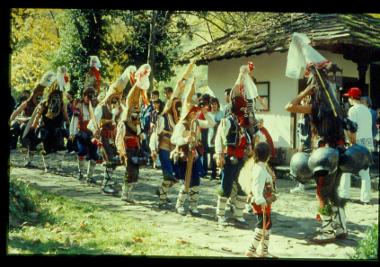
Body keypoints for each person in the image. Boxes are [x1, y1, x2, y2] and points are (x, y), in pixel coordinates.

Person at [171, 78, 215, 216]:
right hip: (183, 157)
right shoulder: (181, 125)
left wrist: (206, 113)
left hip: (194, 156)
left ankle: (193, 207)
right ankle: (179, 205)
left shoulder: (196, 123)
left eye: (197, 112)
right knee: (186, 182)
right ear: (189, 112)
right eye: (194, 112)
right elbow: (174, 139)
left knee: (196, 182)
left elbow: (211, 124)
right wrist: (185, 139)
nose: (196, 114)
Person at [10, 71, 55, 166]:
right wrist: (11, 120)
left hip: (36, 126)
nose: (38, 98)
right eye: (37, 96)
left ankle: (29, 160)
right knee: (23, 130)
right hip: (25, 125)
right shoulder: (26, 103)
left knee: (35, 139)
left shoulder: (43, 104)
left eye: (40, 96)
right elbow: (16, 112)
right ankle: (25, 153)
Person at [339, 87, 374, 205]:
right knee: (365, 173)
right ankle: (365, 198)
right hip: (367, 144)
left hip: (356, 143)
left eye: (349, 97)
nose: (348, 99)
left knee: (345, 170)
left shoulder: (353, 110)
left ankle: (344, 194)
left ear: (353, 97)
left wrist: (351, 143)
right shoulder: (368, 110)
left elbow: (351, 128)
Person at [245, 142, 277, 258]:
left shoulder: (262, 167)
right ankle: (251, 249)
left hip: (264, 201)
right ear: (267, 155)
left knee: (267, 225)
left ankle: (264, 251)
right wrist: (261, 200)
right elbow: (257, 187)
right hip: (261, 202)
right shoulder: (260, 170)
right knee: (262, 225)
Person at [69, 86, 102, 183]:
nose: (89, 99)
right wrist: (72, 133)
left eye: (91, 97)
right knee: (81, 152)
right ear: (84, 96)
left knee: (94, 155)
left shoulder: (97, 107)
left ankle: (90, 176)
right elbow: (74, 120)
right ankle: (80, 172)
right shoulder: (79, 106)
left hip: (93, 134)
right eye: (88, 96)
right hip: (82, 134)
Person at [290, 97, 313, 194]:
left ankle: (301, 186)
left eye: (304, 101)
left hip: (305, 144)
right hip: (304, 142)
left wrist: (301, 146)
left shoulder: (306, 117)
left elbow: (305, 134)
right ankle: (301, 185)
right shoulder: (302, 116)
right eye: (302, 101)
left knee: (302, 164)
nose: (302, 103)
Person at [208, 97, 224, 180]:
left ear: (218, 105)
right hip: (211, 137)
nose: (213, 105)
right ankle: (213, 174)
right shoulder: (209, 114)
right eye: (212, 104)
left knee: (219, 155)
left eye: (215, 104)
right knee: (212, 156)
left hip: (219, 137)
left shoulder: (221, 113)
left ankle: (221, 174)